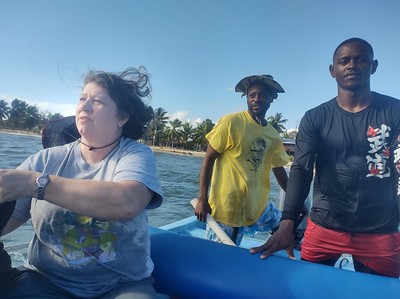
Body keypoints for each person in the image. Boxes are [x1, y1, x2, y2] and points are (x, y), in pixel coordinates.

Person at [0, 67, 164, 298]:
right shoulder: (45, 159)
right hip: (45, 281)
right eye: (82, 99)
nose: (85, 106)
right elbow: (11, 217)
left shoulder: (135, 155)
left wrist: (36, 184)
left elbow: (127, 202)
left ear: (122, 117)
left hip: (120, 285)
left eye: (97, 101)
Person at [250, 38, 400, 278]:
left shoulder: (394, 111)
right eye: (344, 61)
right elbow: (301, 169)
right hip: (324, 227)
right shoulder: (315, 117)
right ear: (333, 70)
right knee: (308, 287)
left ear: (373, 66)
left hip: (380, 231)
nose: (352, 65)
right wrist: (288, 221)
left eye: (361, 59)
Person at [195, 74, 290, 246]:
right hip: (227, 208)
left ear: (271, 99)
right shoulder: (231, 123)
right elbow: (208, 159)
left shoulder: (273, 136)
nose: (256, 99)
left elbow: (279, 171)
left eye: (262, 95)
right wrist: (202, 198)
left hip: (257, 208)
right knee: (221, 260)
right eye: (251, 95)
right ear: (246, 98)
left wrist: (295, 203)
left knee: (287, 224)